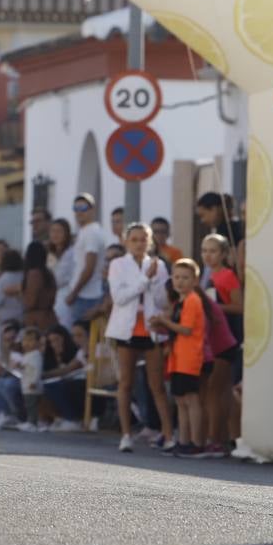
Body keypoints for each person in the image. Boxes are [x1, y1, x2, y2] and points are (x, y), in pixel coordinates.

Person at [107, 223, 173, 453]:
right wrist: (145, 280)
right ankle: (126, 435)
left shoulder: (158, 265)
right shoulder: (117, 264)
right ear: (126, 241)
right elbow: (120, 297)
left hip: (151, 329)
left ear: (150, 242)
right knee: (126, 382)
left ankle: (168, 434)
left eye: (143, 239)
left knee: (157, 385)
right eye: (134, 239)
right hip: (126, 330)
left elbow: (163, 301)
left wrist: (154, 282)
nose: (139, 243)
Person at [150, 259, 211, 458]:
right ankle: (183, 441)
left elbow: (186, 329)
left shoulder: (193, 300)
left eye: (185, 278)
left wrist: (164, 321)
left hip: (190, 358)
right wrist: (160, 323)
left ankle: (196, 442)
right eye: (176, 277)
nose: (180, 282)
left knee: (191, 400)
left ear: (195, 280)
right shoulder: (180, 301)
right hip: (178, 358)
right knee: (180, 401)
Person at [200, 234, 243, 455]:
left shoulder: (227, 276)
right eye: (205, 250)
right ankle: (227, 437)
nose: (208, 255)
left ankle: (215, 439)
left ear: (224, 254)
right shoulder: (205, 276)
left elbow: (240, 307)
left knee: (214, 392)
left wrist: (213, 307)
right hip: (209, 339)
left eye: (213, 251)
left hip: (224, 340)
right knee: (220, 391)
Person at [62, 193, 109, 327]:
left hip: (86, 296)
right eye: (75, 208)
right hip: (84, 294)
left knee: (83, 338)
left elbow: (89, 267)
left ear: (92, 209)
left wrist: (74, 293)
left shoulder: (91, 233)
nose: (79, 212)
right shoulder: (85, 231)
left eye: (82, 207)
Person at [13, 327, 47, 433]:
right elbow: (26, 367)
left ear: (38, 342)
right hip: (26, 385)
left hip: (32, 385)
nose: (27, 343)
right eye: (25, 340)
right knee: (28, 404)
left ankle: (33, 423)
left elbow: (37, 370)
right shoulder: (27, 355)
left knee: (32, 405)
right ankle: (30, 422)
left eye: (31, 340)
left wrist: (34, 382)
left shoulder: (36, 355)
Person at [21, 240, 57, 330]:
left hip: (36, 321)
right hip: (49, 317)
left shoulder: (34, 274)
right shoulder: (48, 273)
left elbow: (30, 301)